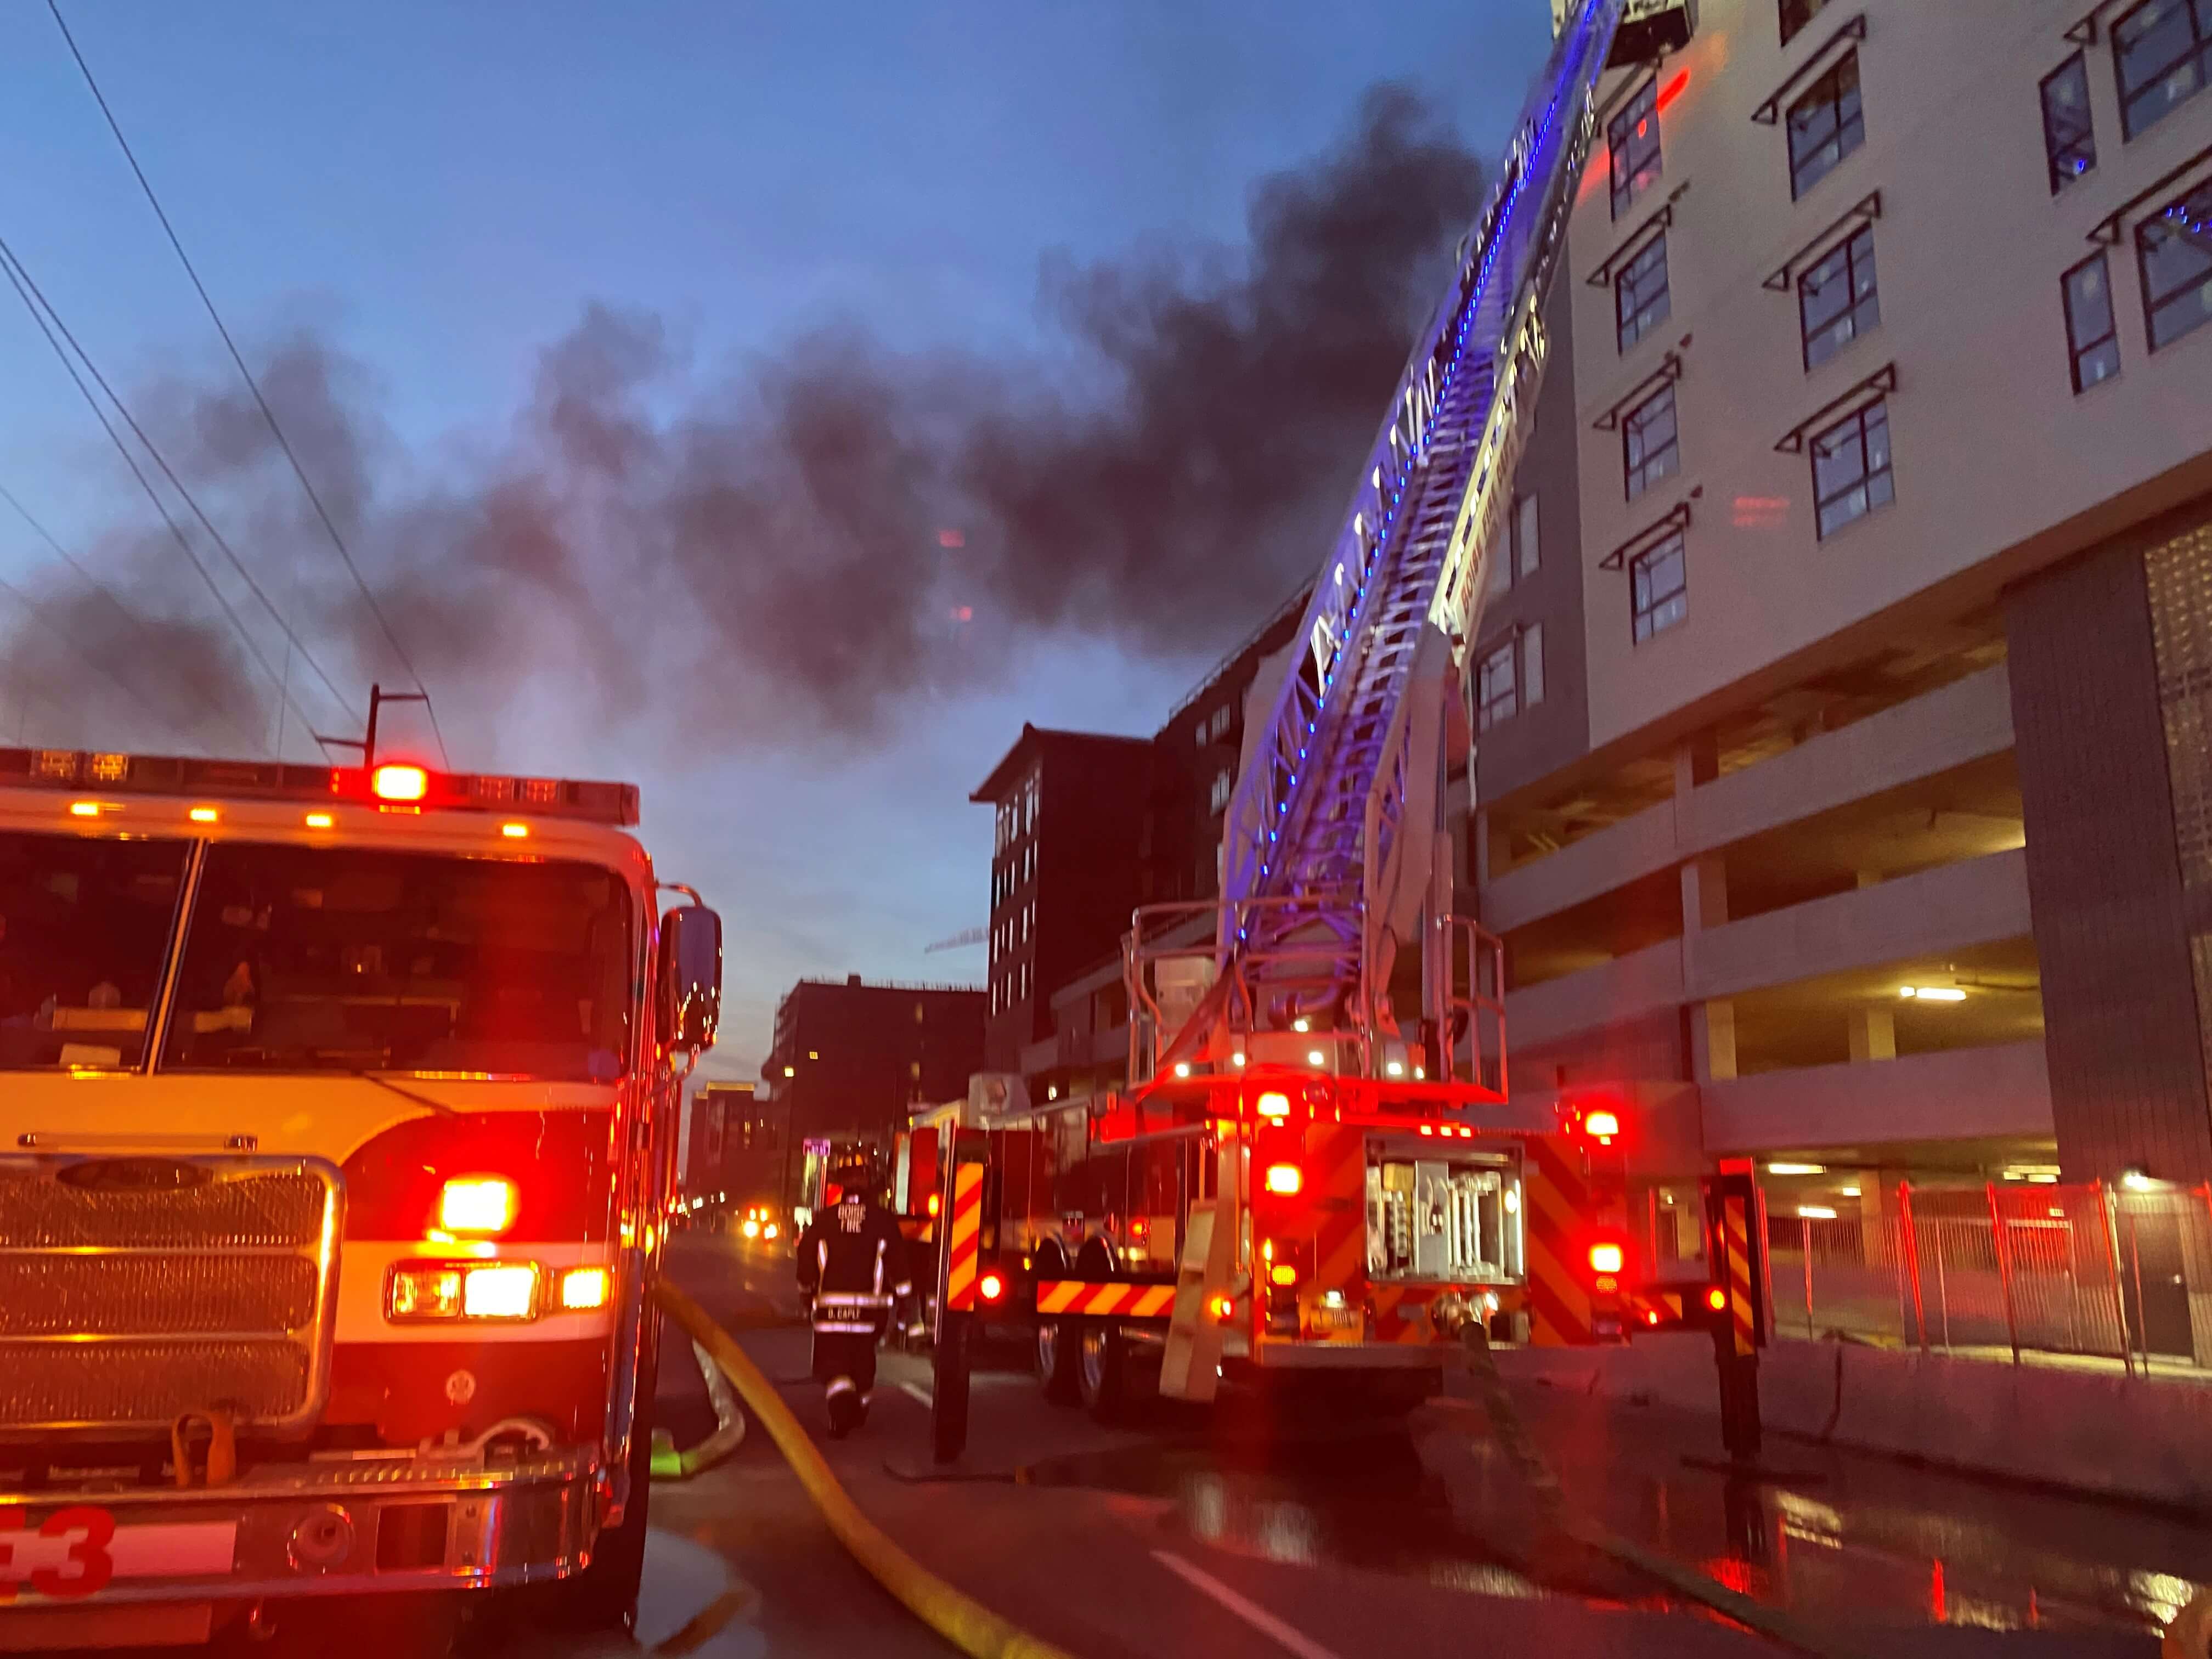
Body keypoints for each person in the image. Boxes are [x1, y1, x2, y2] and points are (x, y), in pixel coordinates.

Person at [793, 1152, 910, 1437]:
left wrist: (806, 1295)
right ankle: (856, 1406)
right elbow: (899, 1266)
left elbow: (806, 1260)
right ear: (870, 1181)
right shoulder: (882, 1222)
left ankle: (842, 1409)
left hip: (829, 1314)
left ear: (839, 1184)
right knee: (862, 1365)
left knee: (832, 1366)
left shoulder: (824, 1221)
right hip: (869, 1317)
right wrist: (904, 1305)